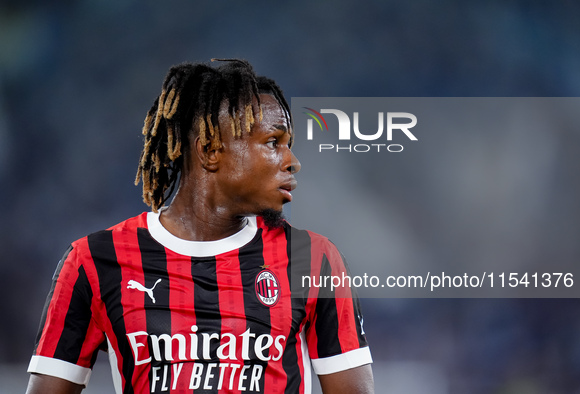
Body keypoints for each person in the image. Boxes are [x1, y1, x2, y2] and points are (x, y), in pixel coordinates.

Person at [26, 59, 373, 394]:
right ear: (210, 150)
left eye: (289, 146)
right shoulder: (94, 261)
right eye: (273, 143)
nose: (292, 162)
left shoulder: (312, 259)